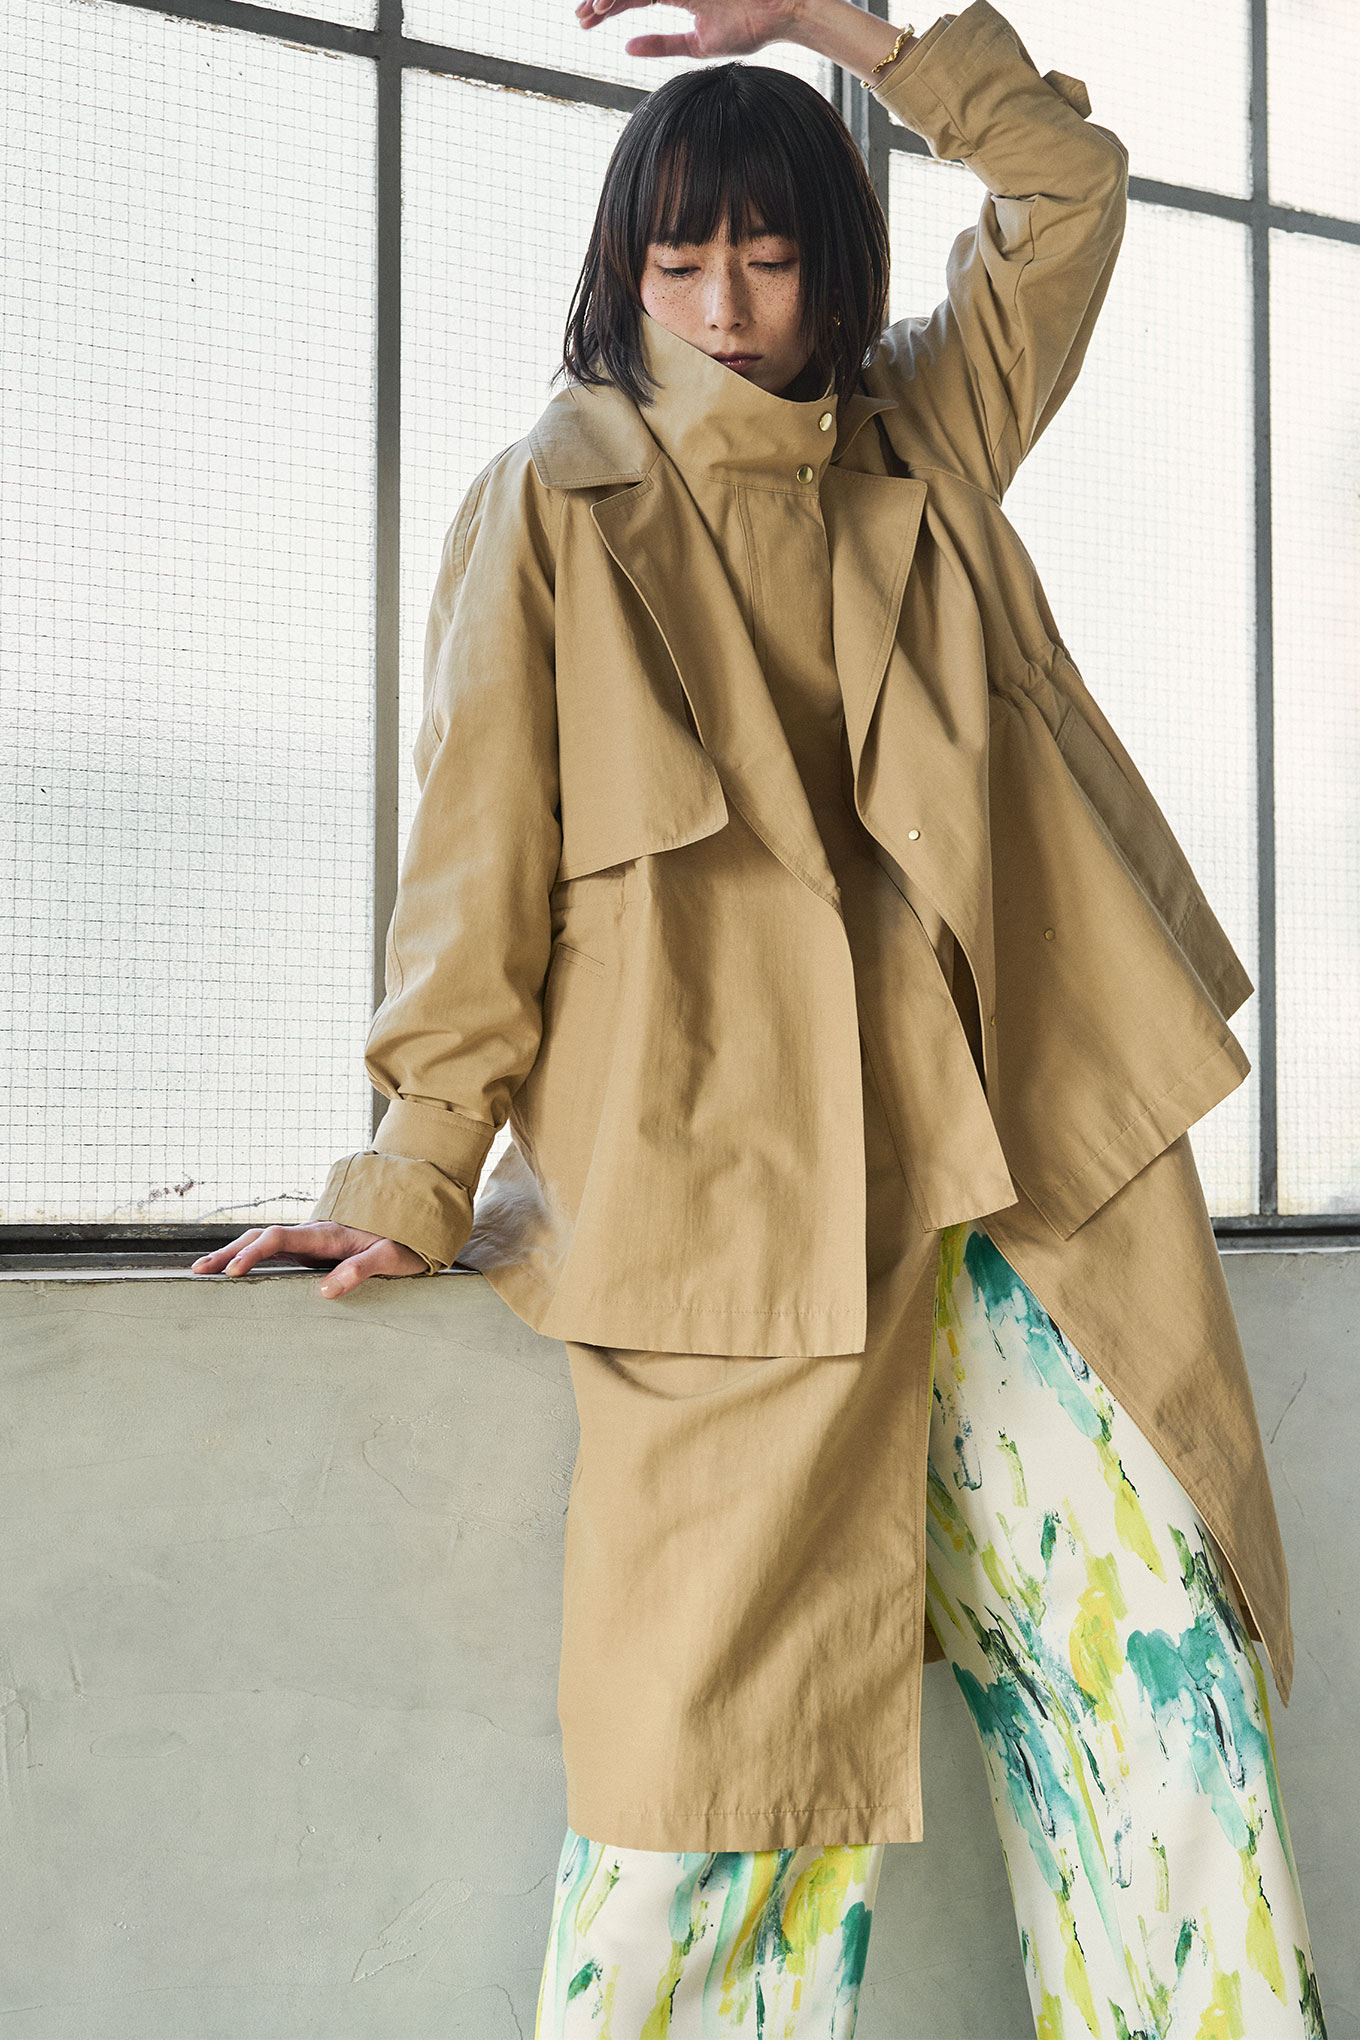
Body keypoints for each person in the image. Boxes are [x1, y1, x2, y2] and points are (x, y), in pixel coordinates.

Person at [194, 0, 1330, 2033]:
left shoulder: (922, 438)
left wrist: (834, 26)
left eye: (771, 254)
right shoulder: (548, 508)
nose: (725, 304)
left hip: (1028, 1193)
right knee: (714, 1817)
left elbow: (1070, 190)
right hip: (740, 1217)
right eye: (680, 258)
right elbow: (474, 868)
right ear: (621, 272)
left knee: (1164, 1712)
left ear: (832, 268)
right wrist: (411, 1175)